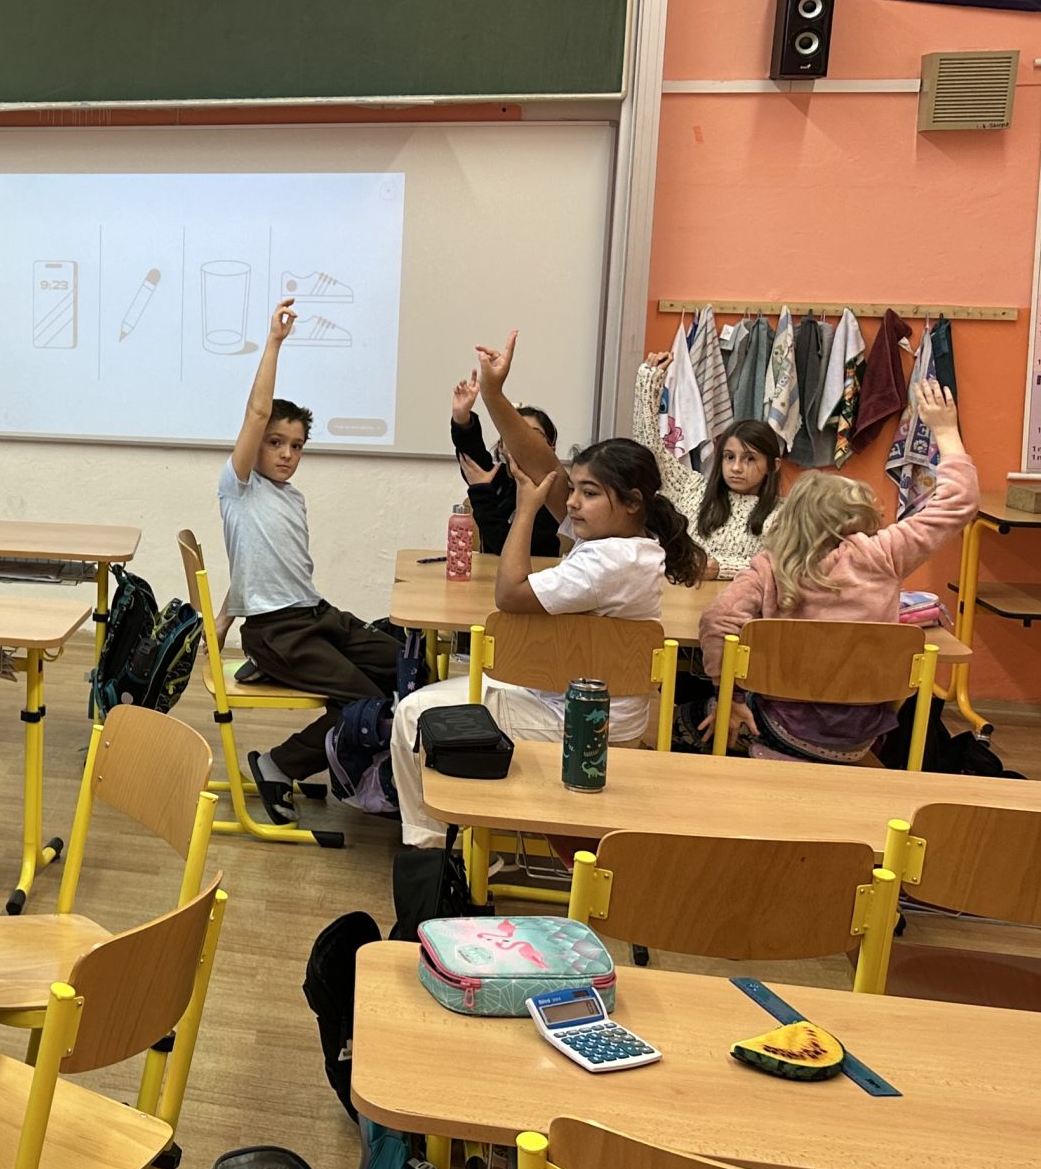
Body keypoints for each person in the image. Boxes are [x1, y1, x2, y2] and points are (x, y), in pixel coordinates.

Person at [387, 347, 707, 851]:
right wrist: (494, 396)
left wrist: (525, 510)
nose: (573, 502)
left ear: (631, 503)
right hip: (578, 703)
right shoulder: (628, 543)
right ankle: (459, 836)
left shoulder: (609, 561)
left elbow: (510, 594)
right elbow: (544, 466)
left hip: (580, 719)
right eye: (574, 490)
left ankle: (428, 850)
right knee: (442, 698)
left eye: (589, 493)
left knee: (413, 715)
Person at [698, 381, 974, 764]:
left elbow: (717, 621)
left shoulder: (768, 567)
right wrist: (945, 431)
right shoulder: (884, 554)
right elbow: (958, 503)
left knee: (693, 713)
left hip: (781, 732)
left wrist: (729, 698)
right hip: (860, 737)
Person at [219, 298, 402, 787]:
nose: (286, 454)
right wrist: (274, 342)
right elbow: (257, 411)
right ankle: (277, 766)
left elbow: (254, 564)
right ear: (255, 442)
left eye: (296, 446)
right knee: (368, 704)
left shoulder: (292, 498)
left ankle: (355, 764)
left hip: (316, 615)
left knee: (405, 666)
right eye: (275, 442)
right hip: (278, 630)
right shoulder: (239, 488)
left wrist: (224, 613)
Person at [637, 354, 784, 577]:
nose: (736, 468)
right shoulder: (692, 489)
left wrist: (720, 568)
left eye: (749, 459)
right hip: (679, 593)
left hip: (741, 598)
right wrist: (648, 381)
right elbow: (649, 452)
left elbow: (782, 566)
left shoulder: (784, 514)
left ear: (773, 466)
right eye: (729, 457)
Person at [450, 374, 561, 556]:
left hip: (536, 572)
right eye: (512, 436)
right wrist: (462, 419)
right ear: (501, 445)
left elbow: (508, 550)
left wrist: (482, 493)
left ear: (551, 448)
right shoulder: (499, 478)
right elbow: (472, 456)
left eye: (534, 436)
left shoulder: (555, 491)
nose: (522, 443)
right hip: (491, 571)